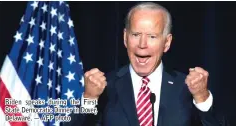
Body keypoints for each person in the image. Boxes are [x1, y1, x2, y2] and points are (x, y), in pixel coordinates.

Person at [65, 2, 222, 126]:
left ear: (166, 43)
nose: (142, 44)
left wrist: (202, 98)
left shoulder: (186, 88)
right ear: (125, 38)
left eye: (152, 36)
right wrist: (89, 98)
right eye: (136, 34)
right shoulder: (105, 87)